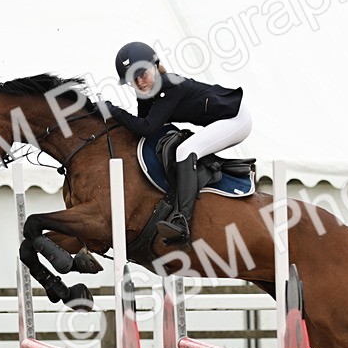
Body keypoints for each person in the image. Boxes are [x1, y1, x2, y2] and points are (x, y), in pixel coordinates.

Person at [102, 41, 252, 244]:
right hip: (223, 119)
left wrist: (113, 111)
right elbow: (143, 131)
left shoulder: (169, 85)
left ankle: (182, 221)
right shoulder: (147, 93)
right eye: (132, 80)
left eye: (143, 74)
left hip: (236, 119)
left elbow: (147, 127)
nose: (140, 83)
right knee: (183, 147)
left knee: (186, 149)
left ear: (155, 66)